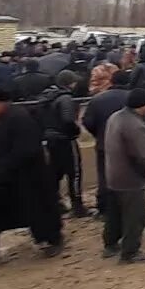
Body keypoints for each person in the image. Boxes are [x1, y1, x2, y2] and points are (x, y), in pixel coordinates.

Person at [0, 84, 65, 267]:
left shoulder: (19, 118)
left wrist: (4, 166)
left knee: (38, 211)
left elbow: (27, 149)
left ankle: (51, 240)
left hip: (26, 179)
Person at [101, 89, 145, 263]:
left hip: (113, 174)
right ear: (144, 105)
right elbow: (143, 156)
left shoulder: (115, 117)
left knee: (114, 214)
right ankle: (130, 252)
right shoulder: (136, 125)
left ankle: (110, 244)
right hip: (130, 178)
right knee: (135, 216)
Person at [82, 69, 132, 218]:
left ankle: (104, 208)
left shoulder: (98, 99)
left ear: (112, 81)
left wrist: (98, 134)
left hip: (104, 144)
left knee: (104, 176)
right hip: (128, 144)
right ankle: (126, 207)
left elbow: (87, 121)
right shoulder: (132, 98)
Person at [38, 70, 88, 218]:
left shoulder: (47, 97)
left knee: (55, 173)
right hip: (65, 139)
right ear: (69, 83)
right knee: (75, 173)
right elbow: (68, 119)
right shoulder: (66, 98)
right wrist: (75, 131)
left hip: (50, 139)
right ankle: (77, 207)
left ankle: (54, 204)